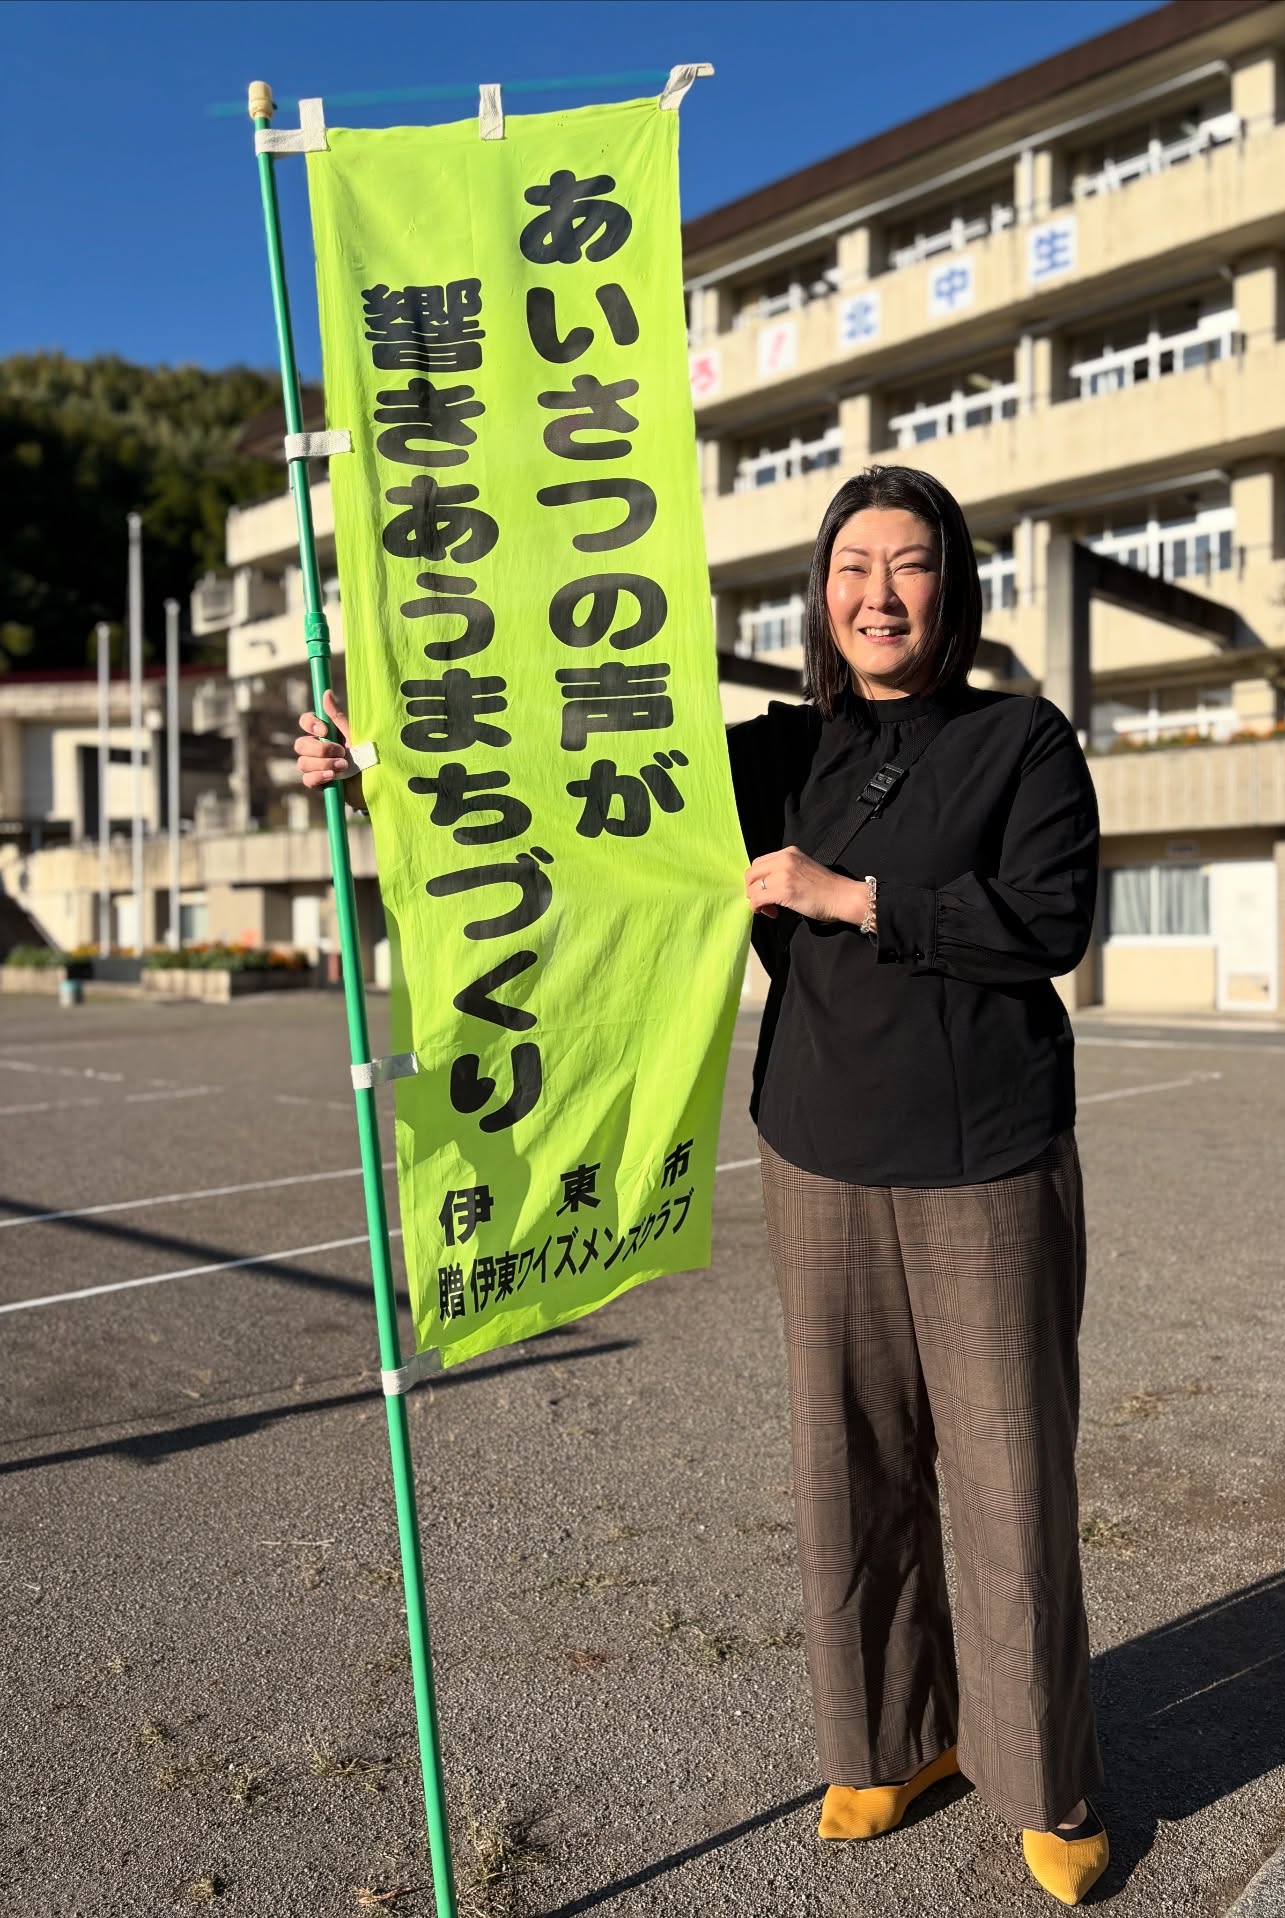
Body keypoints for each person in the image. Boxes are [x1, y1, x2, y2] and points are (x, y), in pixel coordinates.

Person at [292, 464, 1107, 1907]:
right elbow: (574, 795)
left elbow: (1048, 919)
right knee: (848, 1471)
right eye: (851, 567)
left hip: (986, 1157)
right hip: (817, 1150)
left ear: (954, 585)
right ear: (819, 594)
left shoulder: (1020, 739)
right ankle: (892, 1744)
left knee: (1007, 1475)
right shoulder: (777, 750)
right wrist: (380, 769)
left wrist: (851, 896)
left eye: (908, 564)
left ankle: (1045, 1781)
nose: (878, 594)